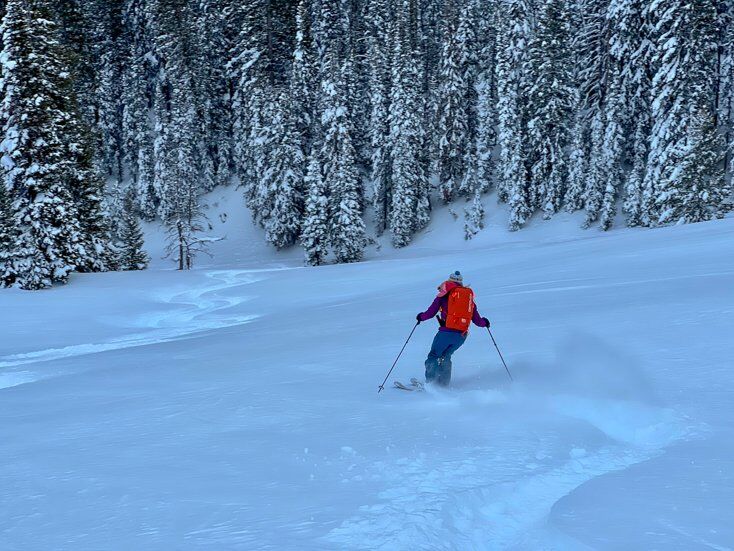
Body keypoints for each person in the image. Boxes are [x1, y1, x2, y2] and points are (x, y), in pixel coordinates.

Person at [415, 271, 489, 386]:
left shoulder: (443, 295)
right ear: (461, 283)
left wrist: (420, 317)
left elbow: (430, 313)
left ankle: (430, 383)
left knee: (434, 355)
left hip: (446, 333)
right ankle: (443, 384)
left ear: (449, 281)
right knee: (446, 356)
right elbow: (478, 321)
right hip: (461, 336)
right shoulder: (467, 298)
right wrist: (485, 322)